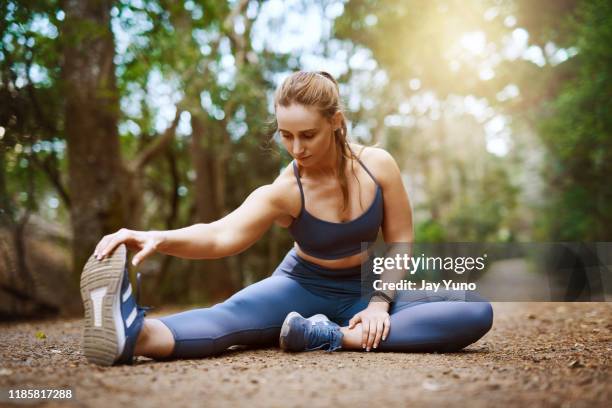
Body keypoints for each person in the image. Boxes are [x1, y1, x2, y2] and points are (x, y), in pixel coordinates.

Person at [80, 71, 493, 366]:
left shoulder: (378, 166)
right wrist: (157, 236)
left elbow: (400, 240)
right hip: (301, 286)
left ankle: (332, 335)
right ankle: (135, 334)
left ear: (335, 122)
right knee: (229, 316)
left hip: (367, 287)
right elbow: (220, 235)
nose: (295, 148)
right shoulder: (284, 190)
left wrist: (380, 305)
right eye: (286, 135)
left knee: (474, 311)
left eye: (307, 134)